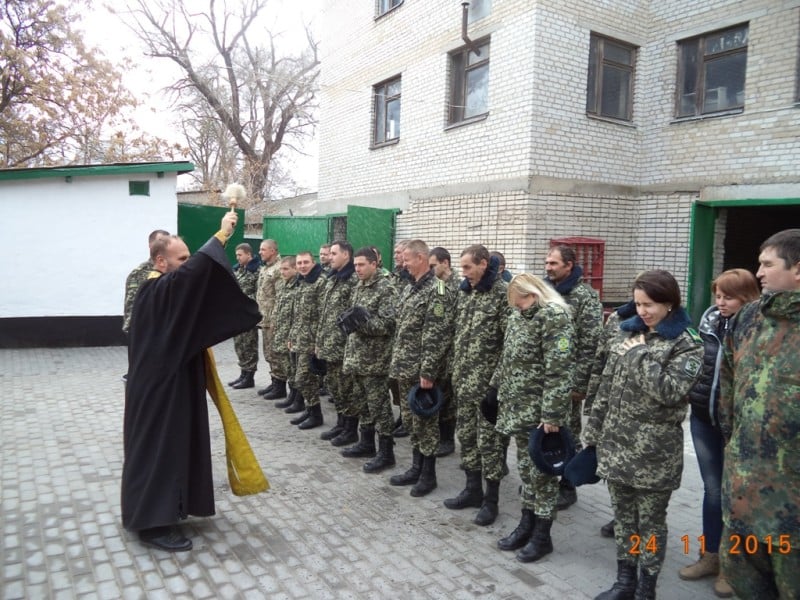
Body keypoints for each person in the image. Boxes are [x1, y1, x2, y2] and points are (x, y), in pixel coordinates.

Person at [122, 212, 261, 551]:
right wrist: (221, 236)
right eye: (180, 259)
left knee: (173, 448)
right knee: (159, 451)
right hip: (159, 392)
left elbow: (191, 287)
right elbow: (194, 274)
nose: (186, 264)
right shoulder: (154, 289)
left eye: (187, 258)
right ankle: (152, 526)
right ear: (160, 260)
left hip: (170, 385)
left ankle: (172, 508)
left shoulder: (164, 289)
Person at [584, 270, 703, 600]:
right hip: (616, 447)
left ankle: (646, 587)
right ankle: (625, 580)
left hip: (654, 455)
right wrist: (592, 433)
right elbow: (607, 387)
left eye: (649, 305)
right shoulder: (628, 332)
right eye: (637, 304)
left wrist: (638, 355)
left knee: (650, 523)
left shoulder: (687, 343)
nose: (642, 312)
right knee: (623, 519)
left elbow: (668, 391)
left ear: (669, 304)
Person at [719, 229, 800, 600]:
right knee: (746, 583)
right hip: (743, 490)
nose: (760, 273)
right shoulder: (750, 317)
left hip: (792, 507)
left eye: (767, 264)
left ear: (797, 269)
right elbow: (729, 386)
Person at [679, 269, 759, 598]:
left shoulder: (758, 328)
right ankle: (710, 555)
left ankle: (734, 565)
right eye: (718, 296)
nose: (721, 303)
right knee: (713, 492)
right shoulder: (710, 321)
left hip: (739, 425)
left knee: (737, 497)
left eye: (729, 297)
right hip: (703, 419)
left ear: (747, 297)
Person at [489, 273, 574, 562]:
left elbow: (559, 370)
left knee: (543, 476)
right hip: (517, 407)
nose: (517, 308)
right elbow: (508, 356)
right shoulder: (519, 317)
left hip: (539, 413)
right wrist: (494, 387)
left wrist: (552, 415)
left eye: (520, 302)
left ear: (533, 295)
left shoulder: (553, 317)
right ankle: (526, 524)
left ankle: (542, 535)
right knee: (526, 471)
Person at [444, 245, 511, 527]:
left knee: (490, 445)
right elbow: (457, 334)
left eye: (468, 267)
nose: (464, 273)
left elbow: (511, 346)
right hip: (463, 383)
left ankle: (491, 501)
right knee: (468, 439)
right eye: (462, 268)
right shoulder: (465, 292)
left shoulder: (502, 295)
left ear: (484, 264)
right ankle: (472, 490)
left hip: (487, 389)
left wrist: (497, 386)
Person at [388, 239, 455, 497]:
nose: (403, 264)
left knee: (426, 425)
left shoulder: (437, 290)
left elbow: (437, 334)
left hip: (421, 372)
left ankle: (428, 476)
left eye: (406, 259)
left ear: (421, 258)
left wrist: (428, 372)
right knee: (411, 421)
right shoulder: (410, 288)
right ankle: (415, 468)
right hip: (404, 368)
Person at [544, 244, 603, 509]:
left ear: (569, 265)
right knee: (545, 430)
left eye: (554, 263)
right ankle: (545, 478)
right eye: (547, 262)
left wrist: (580, 383)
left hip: (568, 379)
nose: (548, 267)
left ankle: (567, 486)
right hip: (545, 376)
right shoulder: (545, 292)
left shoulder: (584, 296)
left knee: (568, 432)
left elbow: (591, 343)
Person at [342, 246, 398, 472]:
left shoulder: (386, 289)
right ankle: (366, 443)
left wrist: (361, 323)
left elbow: (388, 324)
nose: (358, 269)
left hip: (375, 361)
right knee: (362, 403)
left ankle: (387, 453)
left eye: (362, 264)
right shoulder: (359, 286)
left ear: (374, 264)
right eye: (355, 265)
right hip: (356, 357)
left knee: (380, 407)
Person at [315, 241, 360, 442]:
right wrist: (319, 341)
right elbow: (325, 314)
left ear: (346, 255)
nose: (329, 257)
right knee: (335, 387)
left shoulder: (352, 280)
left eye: (334, 253)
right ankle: (341, 424)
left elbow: (354, 316)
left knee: (347, 389)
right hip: (329, 345)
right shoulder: (333, 278)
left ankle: (350, 430)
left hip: (343, 347)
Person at [286, 251, 327, 428]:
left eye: (306, 262)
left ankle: (316, 414)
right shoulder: (301, 282)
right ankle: (311, 411)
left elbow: (323, 315)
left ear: (313, 262)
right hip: (299, 339)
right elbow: (298, 314)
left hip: (312, 341)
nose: (302, 266)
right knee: (301, 378)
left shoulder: (320, 282)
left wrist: (318, 342)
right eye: (300, 263)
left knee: (304, 378)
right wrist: (292, 336)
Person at [429, 246, 459, 457]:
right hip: (440, 349)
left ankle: (448, 439)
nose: (431, 270)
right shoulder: (438, 284)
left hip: (454, 349)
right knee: (441, 394)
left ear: (445, 263)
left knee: (449, 398)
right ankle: (441, 435)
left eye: (434, 265)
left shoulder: (460, 284)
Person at [122, 229, 170, 336]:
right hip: (147, 336)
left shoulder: (173, 270)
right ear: (150, 245)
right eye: (159, 242)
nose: (163, 247)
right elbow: (131, 313)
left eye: (166, 243)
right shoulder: (139, 274)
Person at [228, 243, 261, 389]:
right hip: (238, 313)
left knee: (249, 344)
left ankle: (249, 376)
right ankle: (243, 373)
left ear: (248, 254)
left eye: (240, 255)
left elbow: (260, 293)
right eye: (236, 255)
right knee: (239, 344)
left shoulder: (257, 271)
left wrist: (247, 301)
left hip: (249, 313)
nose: (238, 257)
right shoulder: (239, 270)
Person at [255, 239, 284, 399]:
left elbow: (280, 297)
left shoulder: (279, 269)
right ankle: (274, 382)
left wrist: (275, 320)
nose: (260, 252)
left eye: (263, 249)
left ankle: (280, 386)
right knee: (268, 353)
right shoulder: (266, 269)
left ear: (273, 251)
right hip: (264, 318)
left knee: (275, 353)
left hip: (273, 320)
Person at [271, 257, 300, 409]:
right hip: (281, 332)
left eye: (286, 269)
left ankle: (296, 398)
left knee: (293, 367)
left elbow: (297, 314)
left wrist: (292, 335)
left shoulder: (297, 286)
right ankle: (292, 395)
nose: (283, 272)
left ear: (295, 269)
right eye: (281, 269)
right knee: (286, 366)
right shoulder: (284, 285)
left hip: (291, 334)